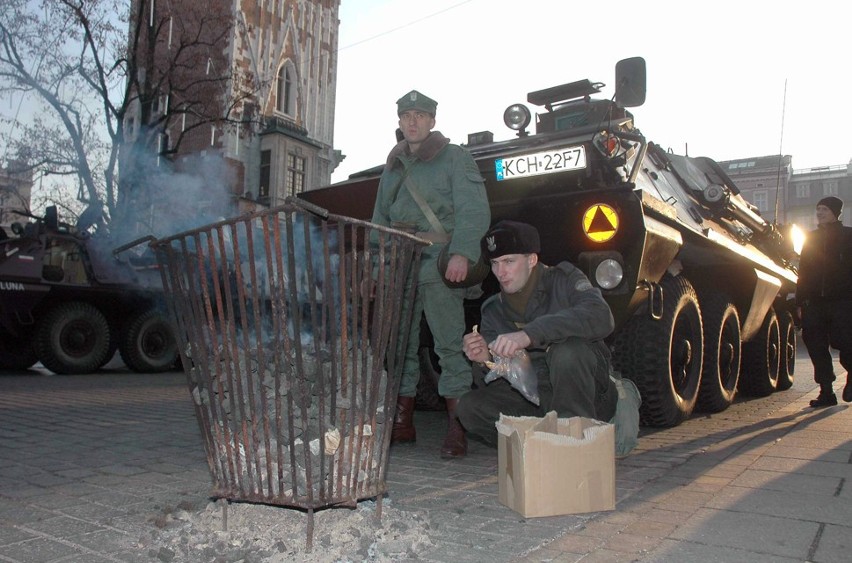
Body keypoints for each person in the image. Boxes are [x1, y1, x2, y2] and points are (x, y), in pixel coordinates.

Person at [370, 90, 490, 458]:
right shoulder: (393, 166)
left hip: (439, 261)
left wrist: (462, 253)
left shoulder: (455, 158)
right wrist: (378, 265)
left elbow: (473, 209)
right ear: (400, 122)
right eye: (406, 115)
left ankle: (458, 425)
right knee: (400, 346)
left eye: (420, 115)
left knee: (449, 347)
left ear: (433, 121)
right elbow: (380, 220)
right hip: (400, 264)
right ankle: (403, 422)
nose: (412, 122)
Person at [457, 220, 617, 446]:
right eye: (494, 263)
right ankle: (539, 447)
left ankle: (576, 442)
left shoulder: (564, 280)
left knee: (567, 352)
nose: (500, 272)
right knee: (469, 408)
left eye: (508, 261)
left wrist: (529, 334)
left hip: (586, 394)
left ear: (532, 260)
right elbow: (495, 384)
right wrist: (485, 361)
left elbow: (600, 315)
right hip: (536, 399)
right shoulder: (493, 310)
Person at [795, 196, 852, 407]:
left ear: (836, 213)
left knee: (846, 342)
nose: (819, 213)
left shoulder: (849, 236)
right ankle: (826, 392)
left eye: (824, 209)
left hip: (843, 302)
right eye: (818, 209)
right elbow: (804, 272)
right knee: (816, 347)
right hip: (814, 303)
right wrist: (801, 301)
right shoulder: (811, 238)